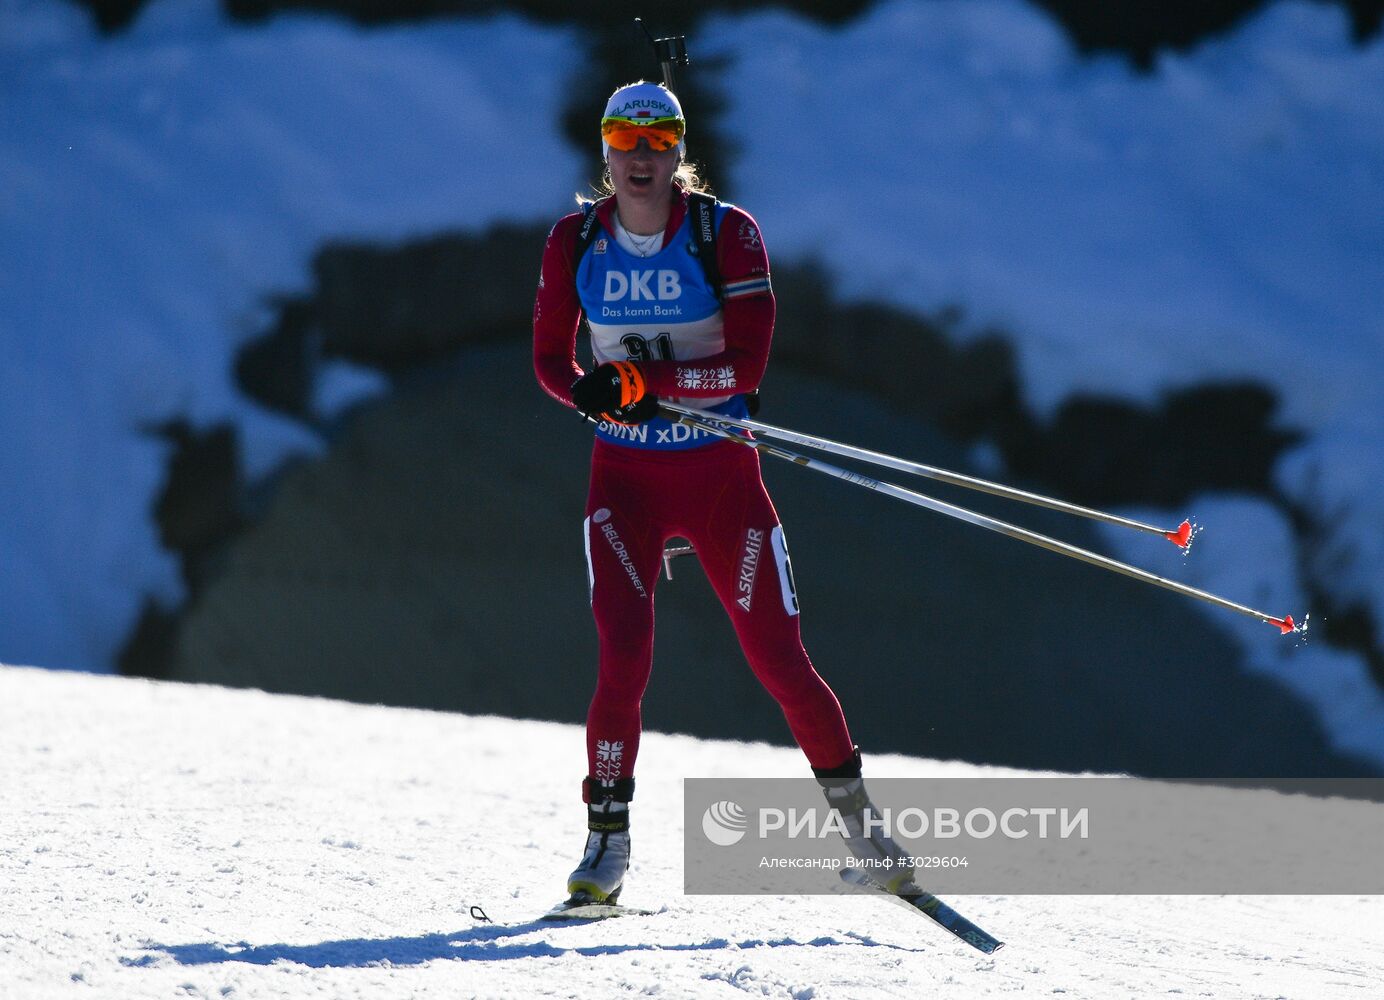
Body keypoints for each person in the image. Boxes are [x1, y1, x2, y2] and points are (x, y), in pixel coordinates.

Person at [532, 81, 910, 906]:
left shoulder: (726, 234)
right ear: (604, 151)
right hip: (623, 482)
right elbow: (550, 365)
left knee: (779, 658)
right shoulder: (574, 240)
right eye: (623, 142)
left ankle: (865, 834)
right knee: (623, 658)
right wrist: (588, 393)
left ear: (677, 150)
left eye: (656, 141)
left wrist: (644, 379)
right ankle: (606, 845)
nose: (640, 158)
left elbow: (743, 366)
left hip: (719, 476)